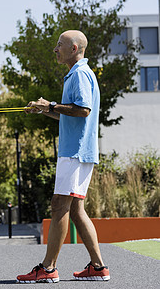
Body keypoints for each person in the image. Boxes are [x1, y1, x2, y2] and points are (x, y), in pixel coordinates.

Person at [17, 30, 110, 283]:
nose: (55, 49)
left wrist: (50, 105)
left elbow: (83, 110)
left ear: (74, 48)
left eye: (60, 45)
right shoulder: (76, 73)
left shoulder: (79, 73)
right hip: (80, 152)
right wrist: (44, 111)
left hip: (75, 152)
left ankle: (47, 269)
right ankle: (99, 267)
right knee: (77, 210)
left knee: (59, 206)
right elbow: (71, 113)